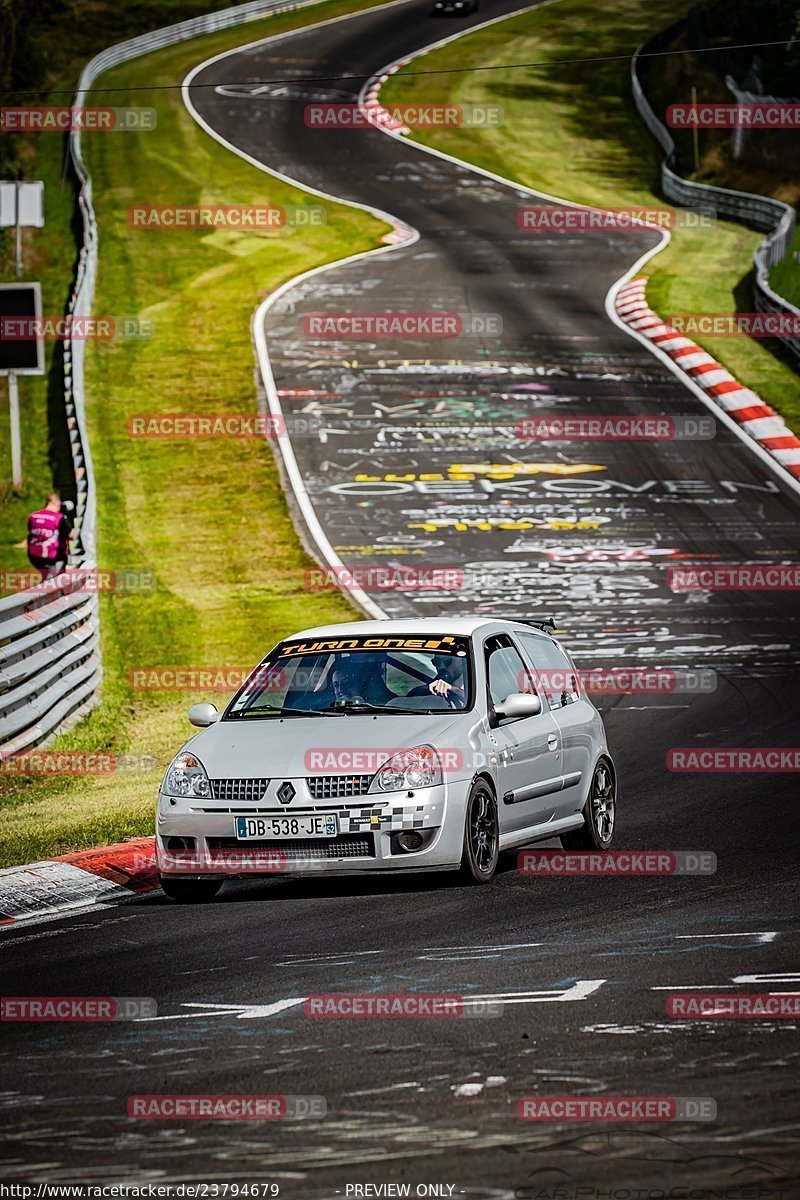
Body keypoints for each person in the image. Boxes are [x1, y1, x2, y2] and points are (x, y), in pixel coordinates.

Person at [27, 492, 72, 581]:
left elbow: (30, 531)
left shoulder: (33, 516)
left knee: (48, 578)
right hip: (52, 557)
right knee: (53, 582)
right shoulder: (58, 518)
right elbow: (70, 535)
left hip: (34, 556)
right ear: (56, 503)